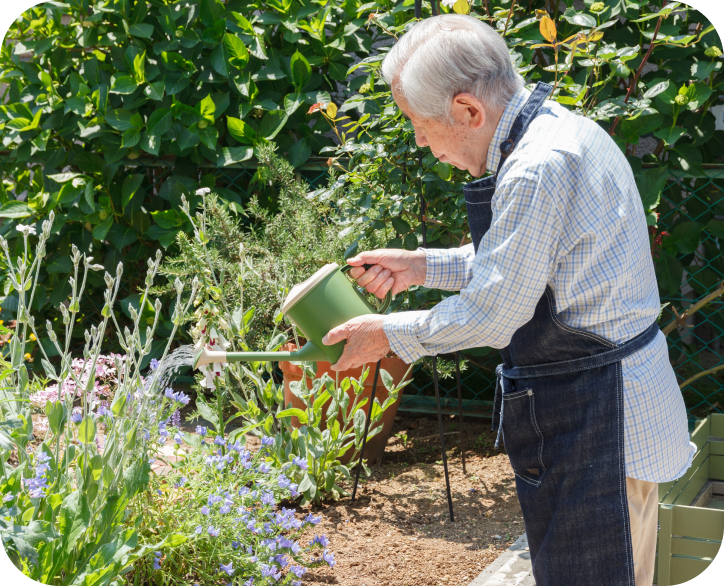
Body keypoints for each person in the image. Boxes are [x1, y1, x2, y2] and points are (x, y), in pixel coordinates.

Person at [320, 13, 695, 586]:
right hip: (601, 408)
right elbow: (526, 264)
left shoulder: (536, 168)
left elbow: (496, 310)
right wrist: (420, 265)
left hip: (601, 422)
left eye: (421, 123)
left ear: (468, 111)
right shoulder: (560, 131)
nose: (420, 141)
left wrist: (389, 335)